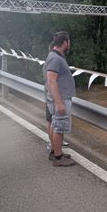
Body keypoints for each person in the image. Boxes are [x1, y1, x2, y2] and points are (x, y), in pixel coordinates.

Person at [44, 31, 76, 167]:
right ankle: (58, 158)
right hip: (60, 99)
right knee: (59, 128)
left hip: (56, 98)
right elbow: (52, 81)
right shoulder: (56, 58)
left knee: (54, 125)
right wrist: (59, 103)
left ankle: (55, 151)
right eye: (68, 41)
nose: (70, 44)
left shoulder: (54, 55)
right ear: (64, 43)